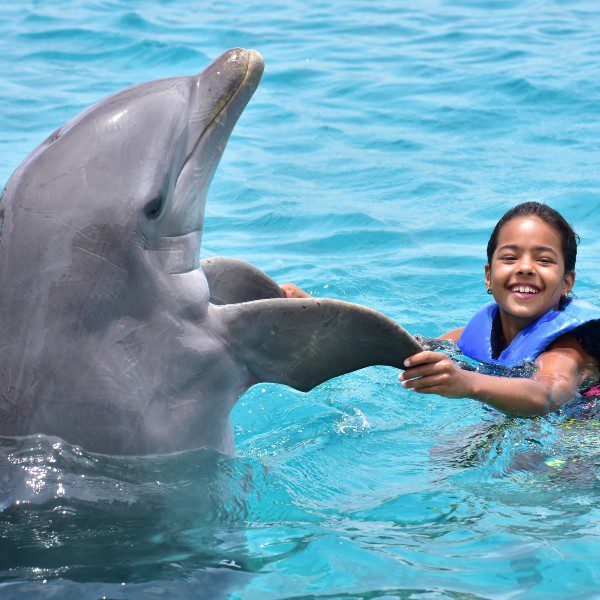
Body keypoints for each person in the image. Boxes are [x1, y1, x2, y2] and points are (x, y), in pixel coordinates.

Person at [279, 202, 600, 416]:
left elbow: (543, 396)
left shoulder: (567, 350)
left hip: (580, 437)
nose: (525, 268)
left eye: (544, 260)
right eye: (510, 257)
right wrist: (317, 314)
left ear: (567, 282)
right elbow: (399, 348)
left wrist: (466, 384)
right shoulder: (474, 336)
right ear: (489, 276)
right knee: (449, 455)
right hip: (516, 424)